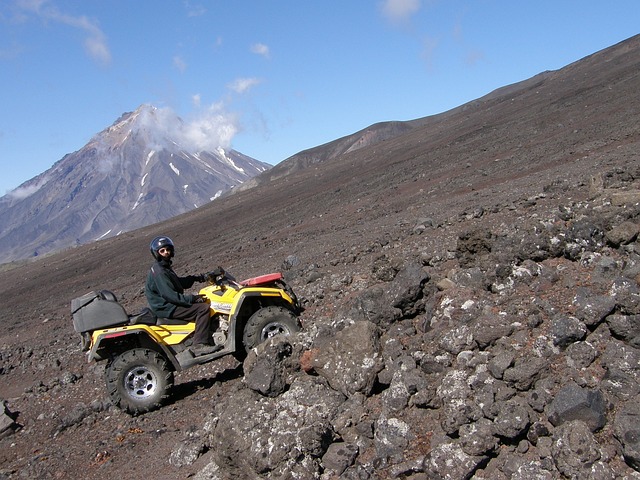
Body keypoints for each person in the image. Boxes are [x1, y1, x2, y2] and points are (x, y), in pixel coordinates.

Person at [145, 235, 223, 356]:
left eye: (168, 249)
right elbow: (171, 296)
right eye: (162, 251)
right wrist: (192, 298)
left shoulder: (163, 267)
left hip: (166, 305)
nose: (166, 253)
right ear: (156, 253)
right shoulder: (160, 272)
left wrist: (199, 278)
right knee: (203, 308)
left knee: (201, 302)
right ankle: (200, 344)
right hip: (167, 307)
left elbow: (178, 283)